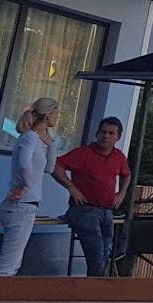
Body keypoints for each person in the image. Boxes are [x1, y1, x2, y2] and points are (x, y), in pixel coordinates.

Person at [53, 116, 131, 277]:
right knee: (96, 256)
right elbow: (56, 166)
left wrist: (121, 193)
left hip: (107, 211)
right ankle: (94, 293)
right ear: (97, 134)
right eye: (103, 132)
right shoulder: (83, 153)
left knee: (105, 254)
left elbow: (126, 175)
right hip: (84, 210)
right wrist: (71, 187)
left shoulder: (119, 156)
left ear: (118, 137)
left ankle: (95, 290)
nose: (106, 136)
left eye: (111, 133)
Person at [0, 97, 60, 276]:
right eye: (56, 114)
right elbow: (24, 164)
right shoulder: (29, 137)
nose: (57, 118)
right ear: (49, 115)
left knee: (13, 261)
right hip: (22, 206)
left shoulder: (38, 140)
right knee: (9, 264)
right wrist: (25, 185)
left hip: (26, 206)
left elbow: (49, 168)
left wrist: (51, 144)